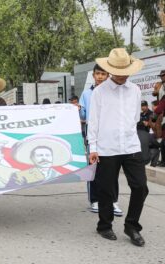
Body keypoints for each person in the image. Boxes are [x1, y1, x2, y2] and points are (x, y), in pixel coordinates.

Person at [88, 48, 149, 246]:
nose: (123, 75)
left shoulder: (135, 90)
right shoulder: (99, 92)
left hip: (131, 146)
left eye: (126, 71)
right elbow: (93, 122)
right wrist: (93, 148)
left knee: (140, 187)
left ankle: (132, 226)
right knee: (106, 190)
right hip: (107, 147)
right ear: (111, 70)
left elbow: (135, 119)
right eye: (119, 71)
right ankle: (104, 226)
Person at [79, 64, 122, 216]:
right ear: (93, 75)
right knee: (93, 168)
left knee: (113, 169)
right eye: (98, 74)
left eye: (103, 74)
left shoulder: (114, 92)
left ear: (108, 75)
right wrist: (77, 110)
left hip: (111, 135)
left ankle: (113, 200)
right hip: (92, 134)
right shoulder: (86, 94)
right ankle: (95, 200)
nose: (100, 77)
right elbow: (83, 116)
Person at [137, 101, 153, 165]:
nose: (142, 107)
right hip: (139, 133)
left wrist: (146, 123)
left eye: (144, 106)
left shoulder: (151, 113)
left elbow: (150, 124)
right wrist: (142, 122)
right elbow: (137, 123)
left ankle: (146, 159)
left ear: (147, 106)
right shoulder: (140, 114)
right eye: (141, 106)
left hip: (147, 133)